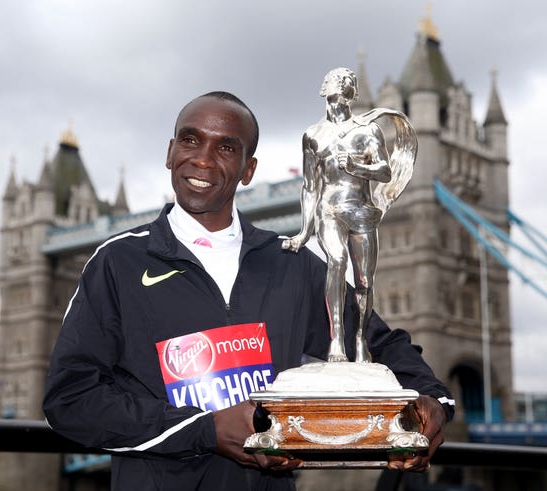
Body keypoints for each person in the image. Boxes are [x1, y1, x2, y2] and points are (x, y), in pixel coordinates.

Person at [43, 91, 454, 491]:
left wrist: (433, 402)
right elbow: (71, 398)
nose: (202, 159)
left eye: (225, 148)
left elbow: (382, 344)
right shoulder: (118, 262)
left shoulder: (293, 264)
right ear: (170, 152)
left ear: (248, 170)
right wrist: (205, 429)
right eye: (190, 140)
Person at [282, 67, 417, 365]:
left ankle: (360, 340)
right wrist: (304, 232)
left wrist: (356, 166)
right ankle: (335, 341)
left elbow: (384, 171)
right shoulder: (312, 136)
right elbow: (310, 186)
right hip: (328, 210)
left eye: (346, 86)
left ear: (351, 94)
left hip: (362, 211)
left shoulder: (368, 130)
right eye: (336, 85)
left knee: (365, 281)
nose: (340, 92)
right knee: (337, 262)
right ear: (326, 90)